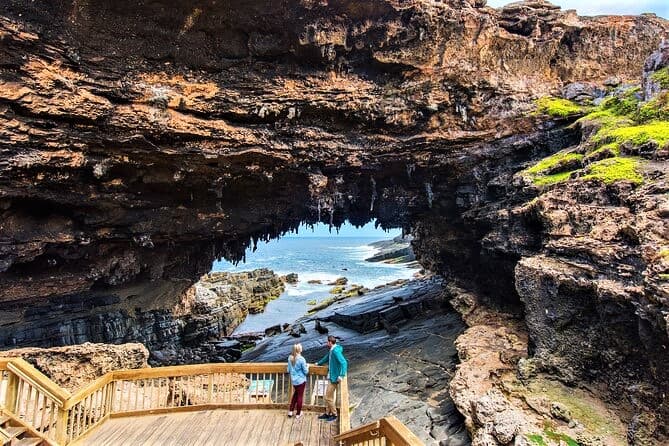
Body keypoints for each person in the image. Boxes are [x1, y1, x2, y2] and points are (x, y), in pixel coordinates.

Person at [316, 335, 347, 422]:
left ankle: (334, 414)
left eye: (327, 342)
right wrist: (318, 363)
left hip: (335, 377)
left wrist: (341, 375)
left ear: (330, 342)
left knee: (328, 397)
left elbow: (344, 363)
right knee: (329, 396)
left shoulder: (336, 351)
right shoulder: (332, 350)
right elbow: (326, 358)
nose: (326, 343)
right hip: (331, 376)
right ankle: (327, 413)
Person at [287, 343, 309, 419]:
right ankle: (298, 413)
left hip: (294, 381)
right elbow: (306, 372)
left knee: (295, 395)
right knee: (300, 397)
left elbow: (288, 370)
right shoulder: (301, 359)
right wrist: (307, 366)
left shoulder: (290, 358)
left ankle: (290, 411)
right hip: (301, 381)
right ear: (299, 350)